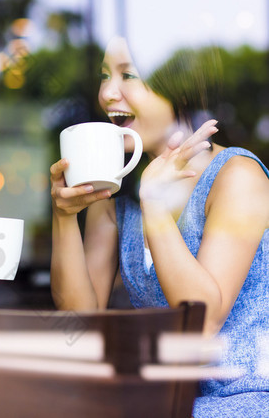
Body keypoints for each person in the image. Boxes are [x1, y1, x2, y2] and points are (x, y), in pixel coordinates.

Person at [49, 36, 269, 416]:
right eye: (104, 76)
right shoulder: (117, 191)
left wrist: (153, 204)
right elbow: (79, 322)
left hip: (243, 399)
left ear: (179, 93)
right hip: (160, 401)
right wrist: (64, 217)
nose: (107, 93)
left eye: (127, 75)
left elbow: (200, 325)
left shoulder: (238, 177)